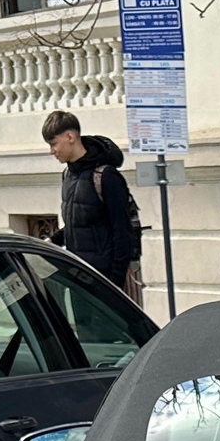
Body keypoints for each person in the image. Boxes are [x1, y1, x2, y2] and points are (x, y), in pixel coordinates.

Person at [43, 111, 144, 302]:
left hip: (103, 283)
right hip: (77, 279)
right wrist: (52, 240)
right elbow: (81, 223)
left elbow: (123, 232)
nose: (51, 151)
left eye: (54, 143)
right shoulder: (67, 175)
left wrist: (114, 285)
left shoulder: (105, 177)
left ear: (70, 137)